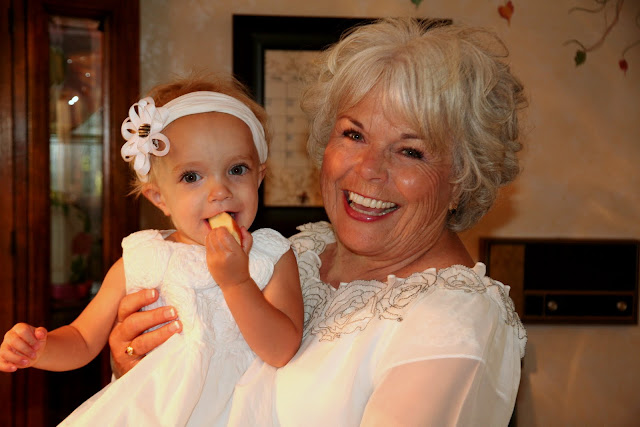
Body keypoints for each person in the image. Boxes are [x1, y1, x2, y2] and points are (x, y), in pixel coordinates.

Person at [110, 18, 528, 426]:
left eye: (410, 151)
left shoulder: (454, 326)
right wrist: (137, 368)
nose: (368, 169)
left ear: (463, 180)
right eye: (354, 135)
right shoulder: (294, 251)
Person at [0, 75, 304, 425]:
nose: (220, 190)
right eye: (192, 177)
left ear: (259, 178)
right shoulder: (144, 258)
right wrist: (40, 349)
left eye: (237, 170)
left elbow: (282, 350)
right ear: (159, 198)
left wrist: (237, 283)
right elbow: (82, 339)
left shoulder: (270, 256)